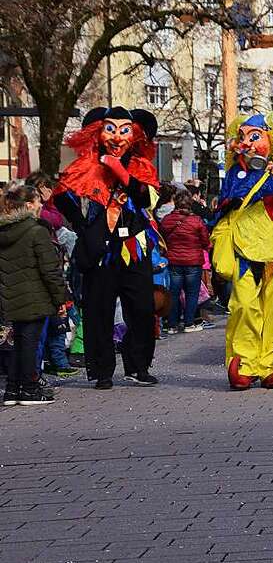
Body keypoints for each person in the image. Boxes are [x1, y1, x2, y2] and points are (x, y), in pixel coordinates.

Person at [53, 106, 161, 390]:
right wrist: (81, 225)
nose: (116, 136)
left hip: (133, 246)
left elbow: (149, 200)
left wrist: (122, 173)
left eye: (123, 129)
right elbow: (61, 195)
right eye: (109, 129)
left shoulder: (141, 166)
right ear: (98, 131)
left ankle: (138, 366)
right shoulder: (87, 165)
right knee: (98, 310)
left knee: (141, 308)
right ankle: (102, 370)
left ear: (135, 133)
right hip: (99, 248)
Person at [211, 113, 273, 390]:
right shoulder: (235, 173)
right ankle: (243, 364)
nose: (247, 143)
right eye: (242, 137)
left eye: (254, 136)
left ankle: (271, 366)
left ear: (271, 138)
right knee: (244, 307)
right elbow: (226, 207)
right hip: (245, 252)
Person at [0, 186, 67, 406]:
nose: (40, 205)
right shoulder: (36, 231)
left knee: (17, 343)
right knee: (29, 343)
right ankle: (29, 389)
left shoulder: (4, 231)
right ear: (28, 205)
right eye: (38, 201)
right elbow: (50, 270)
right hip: (35, 295)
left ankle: (12, 389)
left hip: (10, 295)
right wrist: (60, 299)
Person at [25, 171, 76, 378]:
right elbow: (55, 221)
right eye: (43, 190)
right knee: (38, 332)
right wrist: (46, 204)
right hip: (39, 281)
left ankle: (37, 373)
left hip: (43, 278)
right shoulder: (38, 219)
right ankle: (32, 378)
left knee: (46, 329)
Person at [160, 189, 210, 334]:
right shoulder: (196, 221)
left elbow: (161, 238)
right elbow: (205, 241)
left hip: (174, 261)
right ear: (190, 203)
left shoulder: (167, 220)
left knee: (173, 293)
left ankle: (172, 325)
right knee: (192, 294)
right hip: (193, 261)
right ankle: (189, 323)